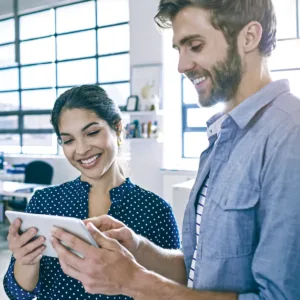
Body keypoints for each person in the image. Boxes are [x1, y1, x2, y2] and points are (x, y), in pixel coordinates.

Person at [50, 0, 300, 299]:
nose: (182, 65)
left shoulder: (290, 137)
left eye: (195, 45)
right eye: (179, 50)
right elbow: (201, 271)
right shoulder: (224, 136)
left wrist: (133, 281)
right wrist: (138, 248)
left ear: (249, 37)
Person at [3, 85, 180, 300]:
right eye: (68, 140)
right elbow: (17, 293)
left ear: (118, 128)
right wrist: (25, 260)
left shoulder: (155, 210)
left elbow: (174, 290)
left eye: (92, 133)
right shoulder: (44, 203)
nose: (82, 149)